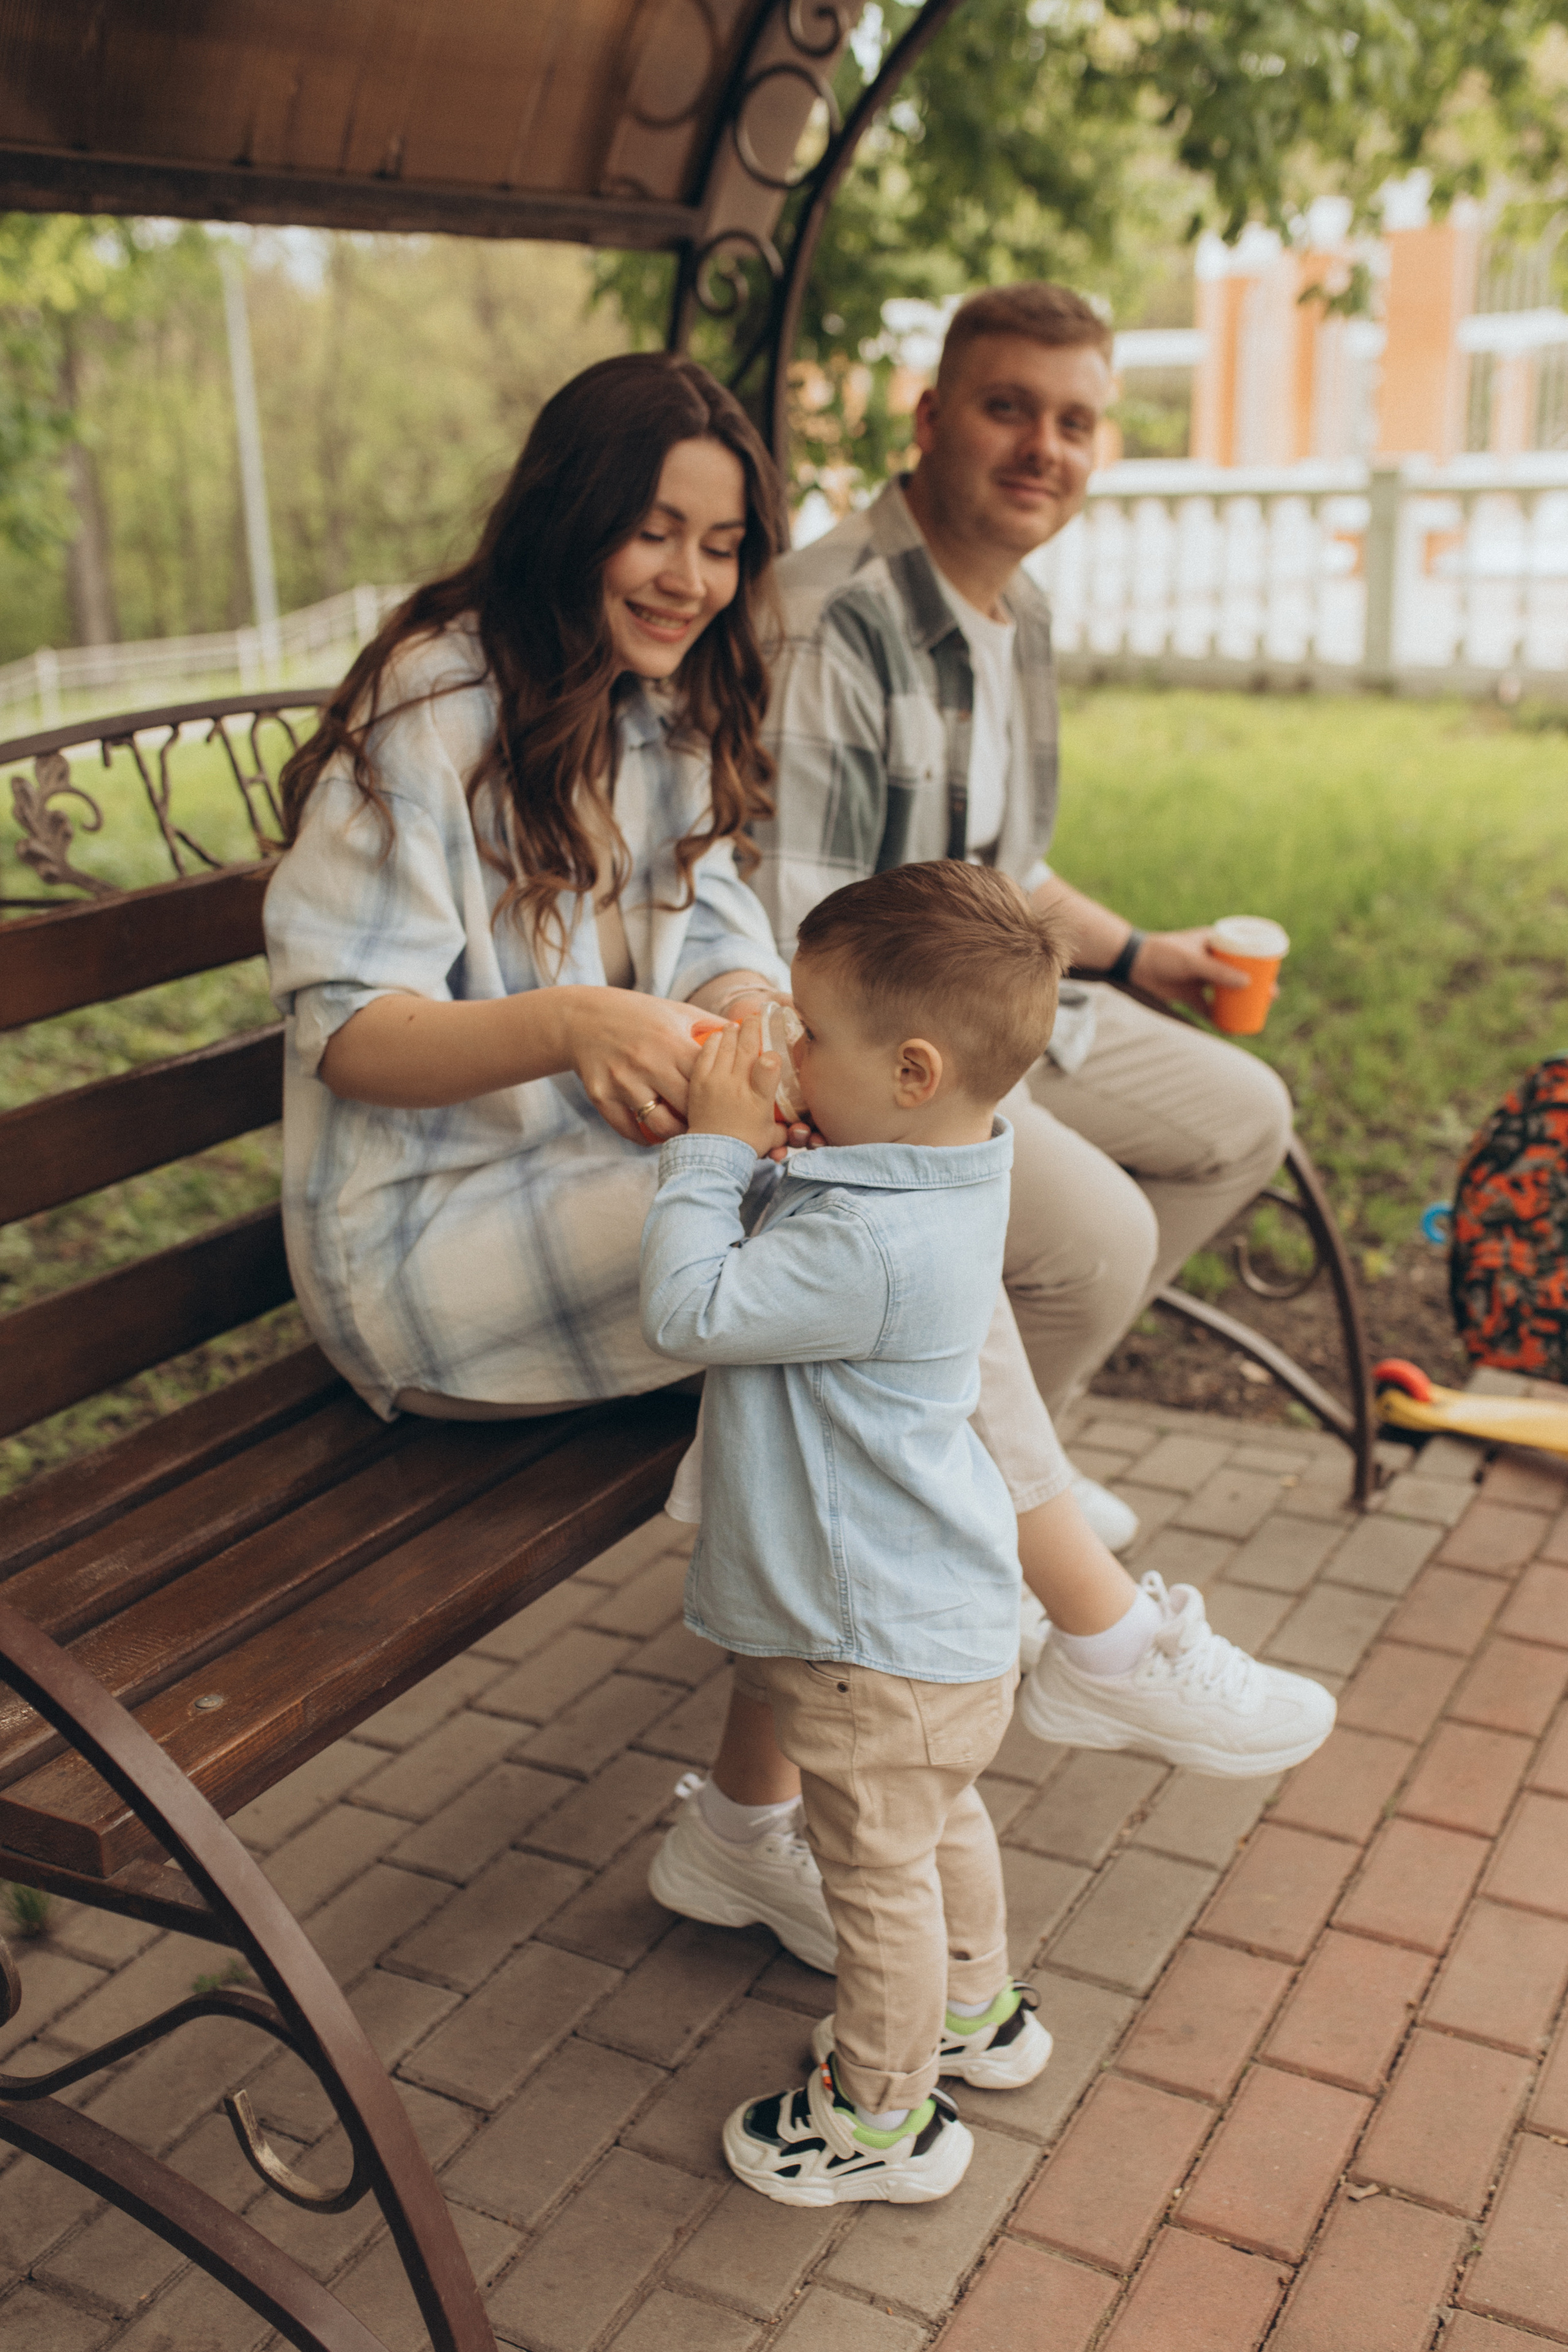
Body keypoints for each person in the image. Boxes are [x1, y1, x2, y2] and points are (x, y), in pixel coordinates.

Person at [646, 287, 1332, 1967]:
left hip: (994, 1007)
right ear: (931, 417)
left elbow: (1006, 876)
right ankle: (1025, 1566)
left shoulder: (1012, 618)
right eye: (1010, 408)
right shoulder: (828, 620)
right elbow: (827, 958)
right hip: (873, 1044)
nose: (1046, 447)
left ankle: (964, 1484)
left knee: (1241, 1110)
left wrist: (1146, 957)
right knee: (1076, 1235)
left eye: (1077, 419)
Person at [638, 863, 1095, 2203]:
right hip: (934, 1622)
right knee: (936, 1820)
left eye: (806, 1031)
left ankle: (878, 2120)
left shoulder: (867, 1246)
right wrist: (803, 1137)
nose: (779, 1047)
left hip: (866, 1640)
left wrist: (713, 1153)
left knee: (871, 1873)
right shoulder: (944, 1168)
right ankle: (973, 2016)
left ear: (907, 1070)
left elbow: (688, 1311)